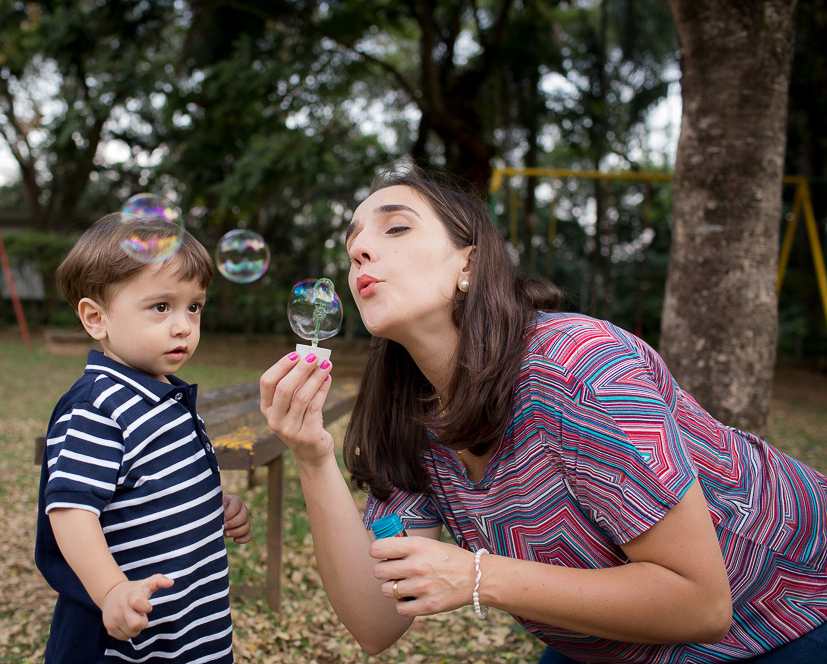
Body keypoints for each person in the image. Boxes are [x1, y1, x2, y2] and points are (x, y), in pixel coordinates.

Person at [259, 165, 827, 663]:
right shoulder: (413, 412)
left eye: (396, 228)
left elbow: (700, 604)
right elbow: (376, 622)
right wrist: (312, 456)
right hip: (612, 642)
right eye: (353, 241)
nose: (360, 249)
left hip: (790, 614)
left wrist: (480, 576)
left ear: (469, 263)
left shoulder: (581, 368)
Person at [35, 214, 252, 663]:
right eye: (161, 307)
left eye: (194, 307)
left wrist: (215, 506)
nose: (183, 326)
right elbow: (71, 511)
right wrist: (111, 590)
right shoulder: (98, 406)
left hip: (192, 631)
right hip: (127, 643)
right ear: (97, 318)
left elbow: (158, 488)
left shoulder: (166, 396)